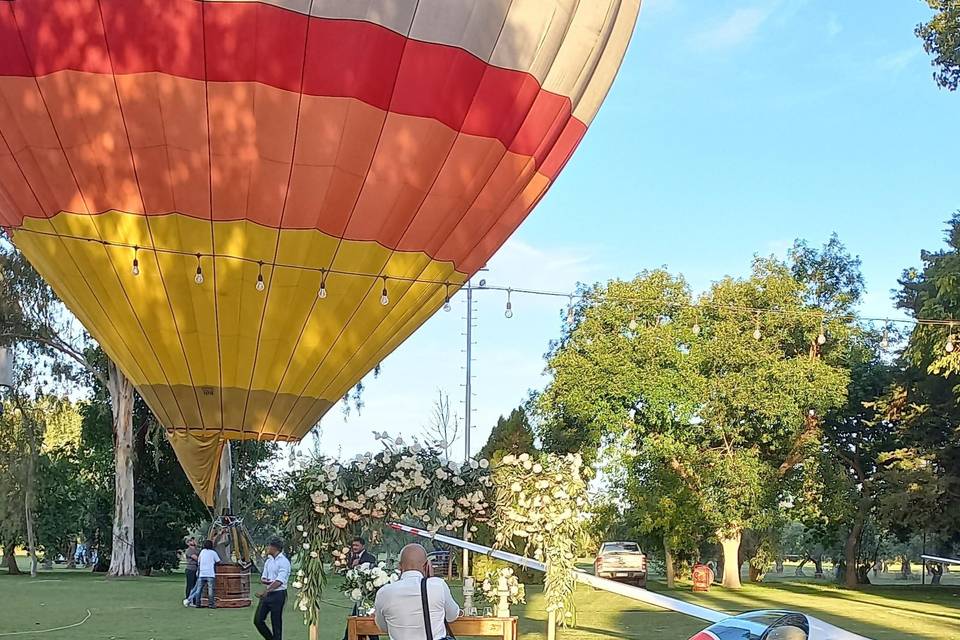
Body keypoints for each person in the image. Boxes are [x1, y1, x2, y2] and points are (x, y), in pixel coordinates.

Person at [374, 544, 460, 640]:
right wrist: (430, 579)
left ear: (399, 566)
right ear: (427, 566)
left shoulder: (384, 592)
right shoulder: (438, 585)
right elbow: (452, 615)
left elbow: (383, 627)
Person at [254, 538, 291, 640]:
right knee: (258, 620)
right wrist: (268, 583)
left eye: (269, 546)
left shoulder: (284, 562)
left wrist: (267, 589)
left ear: (274, 548)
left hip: (278, 594)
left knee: (276, 623)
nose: (267, 548)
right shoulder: (269, 561)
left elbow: (280, 581)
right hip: (268, 594)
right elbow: (264, 578)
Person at [184, 540, 220, 609]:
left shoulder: (202, 552)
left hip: (202, 573)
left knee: (198, 589)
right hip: (210, 573)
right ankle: (211, 604)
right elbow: (218, 561)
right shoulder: (213, 553)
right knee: (210, 589)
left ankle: (197, 603)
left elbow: (199, 560)